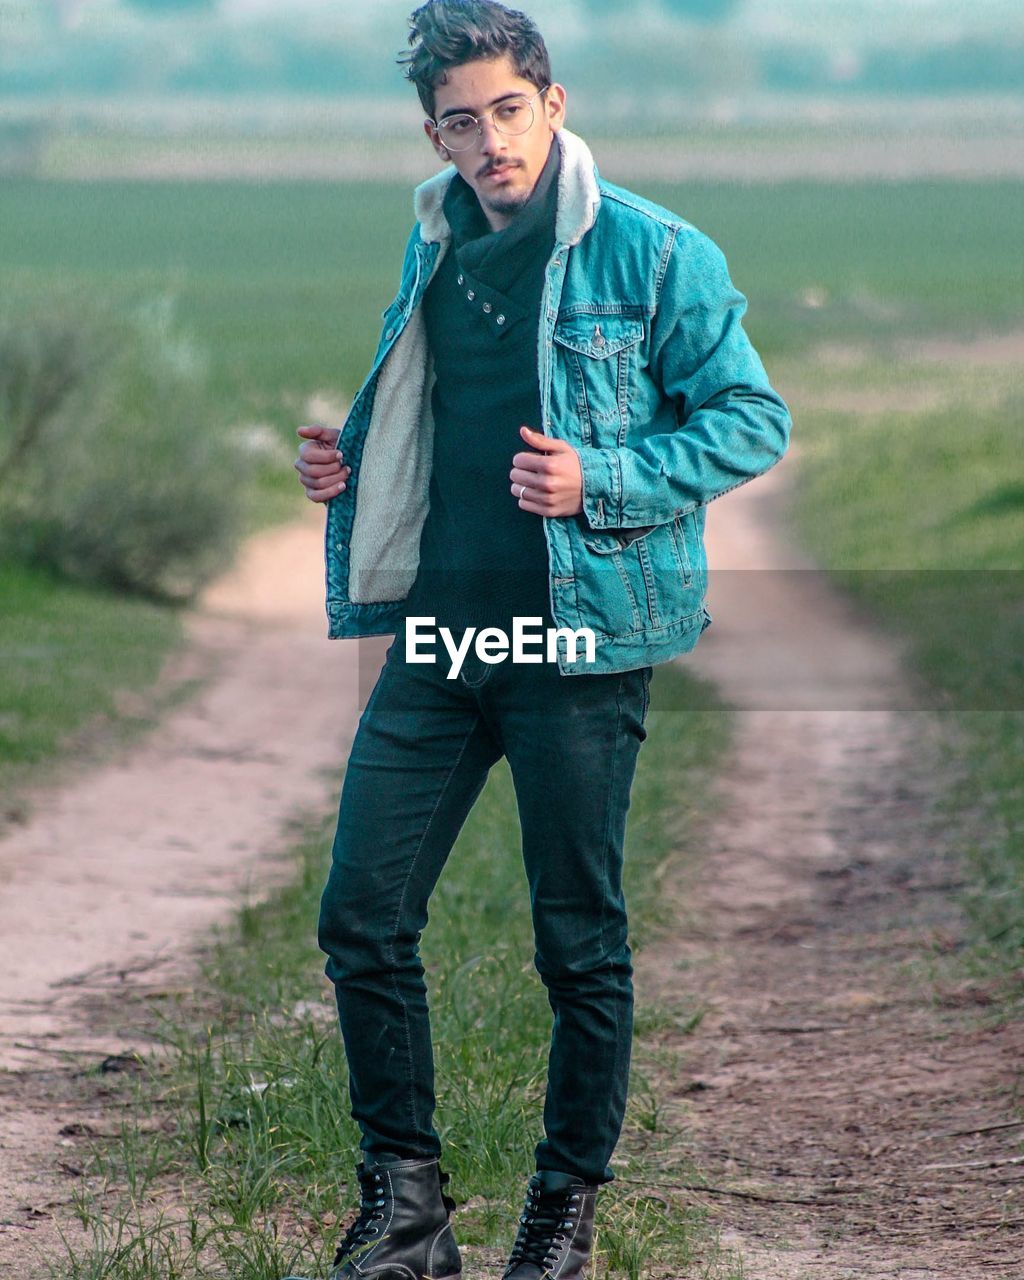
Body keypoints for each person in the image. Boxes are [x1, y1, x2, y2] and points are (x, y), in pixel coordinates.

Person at [286, 4, 791, 1278]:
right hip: (441, 643)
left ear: (551, 103)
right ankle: (405, 1207)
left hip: (580, 645)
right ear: (434, 132)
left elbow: (750, 418)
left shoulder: (656, 253)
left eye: (508, 109)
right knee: (360, 912)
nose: (489, 139)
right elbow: (441, 416)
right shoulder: (437, 245)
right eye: (461, 119)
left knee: (577, 938)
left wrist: (604, 479)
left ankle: (562, 1211)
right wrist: (356, 466)